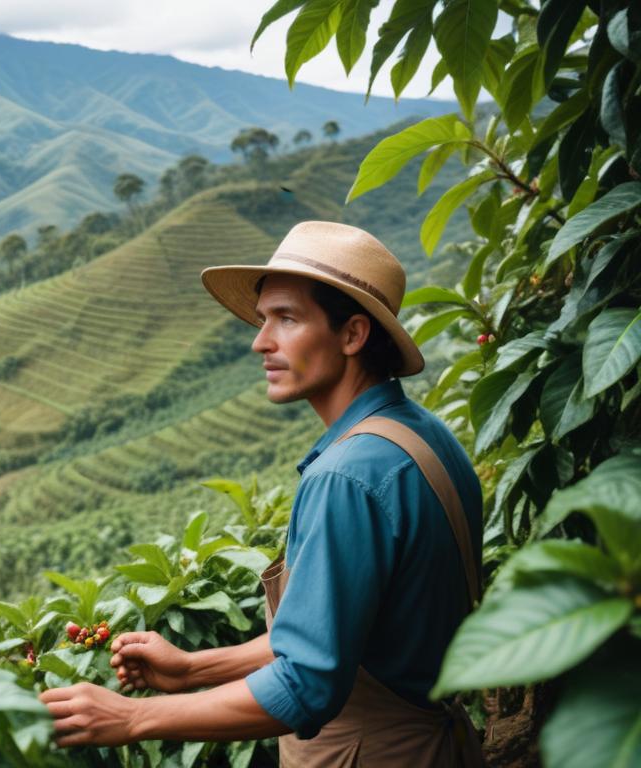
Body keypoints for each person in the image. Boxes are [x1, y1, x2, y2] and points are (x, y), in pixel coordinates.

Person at [40, 221, 485, 765]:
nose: (261, 341)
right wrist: (191, 668)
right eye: (262, 320)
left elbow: (306, 685)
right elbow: (337, 633)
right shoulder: (421, 435)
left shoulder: (343, 479)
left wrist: (132, 717)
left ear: (352, 335)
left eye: (287, 319)